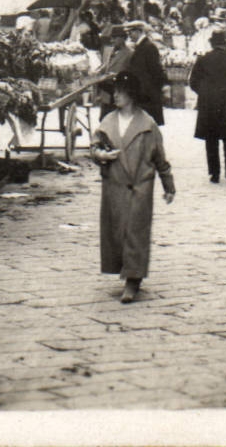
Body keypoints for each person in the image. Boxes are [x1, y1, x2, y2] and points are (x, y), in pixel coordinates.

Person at [90, 72, 176, 303]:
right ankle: (125, 270)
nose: (115, 95)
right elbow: (94, 147)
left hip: (140, 186)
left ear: (132, 95)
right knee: (118, 232)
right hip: (115, 186)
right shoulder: (108, 122)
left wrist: (168, 185)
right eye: (115, 91)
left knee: (135, 233)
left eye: (121, 91)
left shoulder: (147, 125)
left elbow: (160, 158)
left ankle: (133, 280)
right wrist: (101, 155)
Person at [189, 28, 226, 183]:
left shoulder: (203, 59)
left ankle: (214, 173)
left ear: (211, 44)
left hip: (209, 104)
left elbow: (193, 81)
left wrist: (204, 92)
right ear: (225, 44)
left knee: (211, 138)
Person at [122, 22, 167, 126]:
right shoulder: (141, 46)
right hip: (143, 93)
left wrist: (153, 91)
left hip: (147, 95)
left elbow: (156, 71)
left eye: (131, 32)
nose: (129, 36)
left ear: (139, 31)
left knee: (147, 126)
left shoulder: (149, 47)